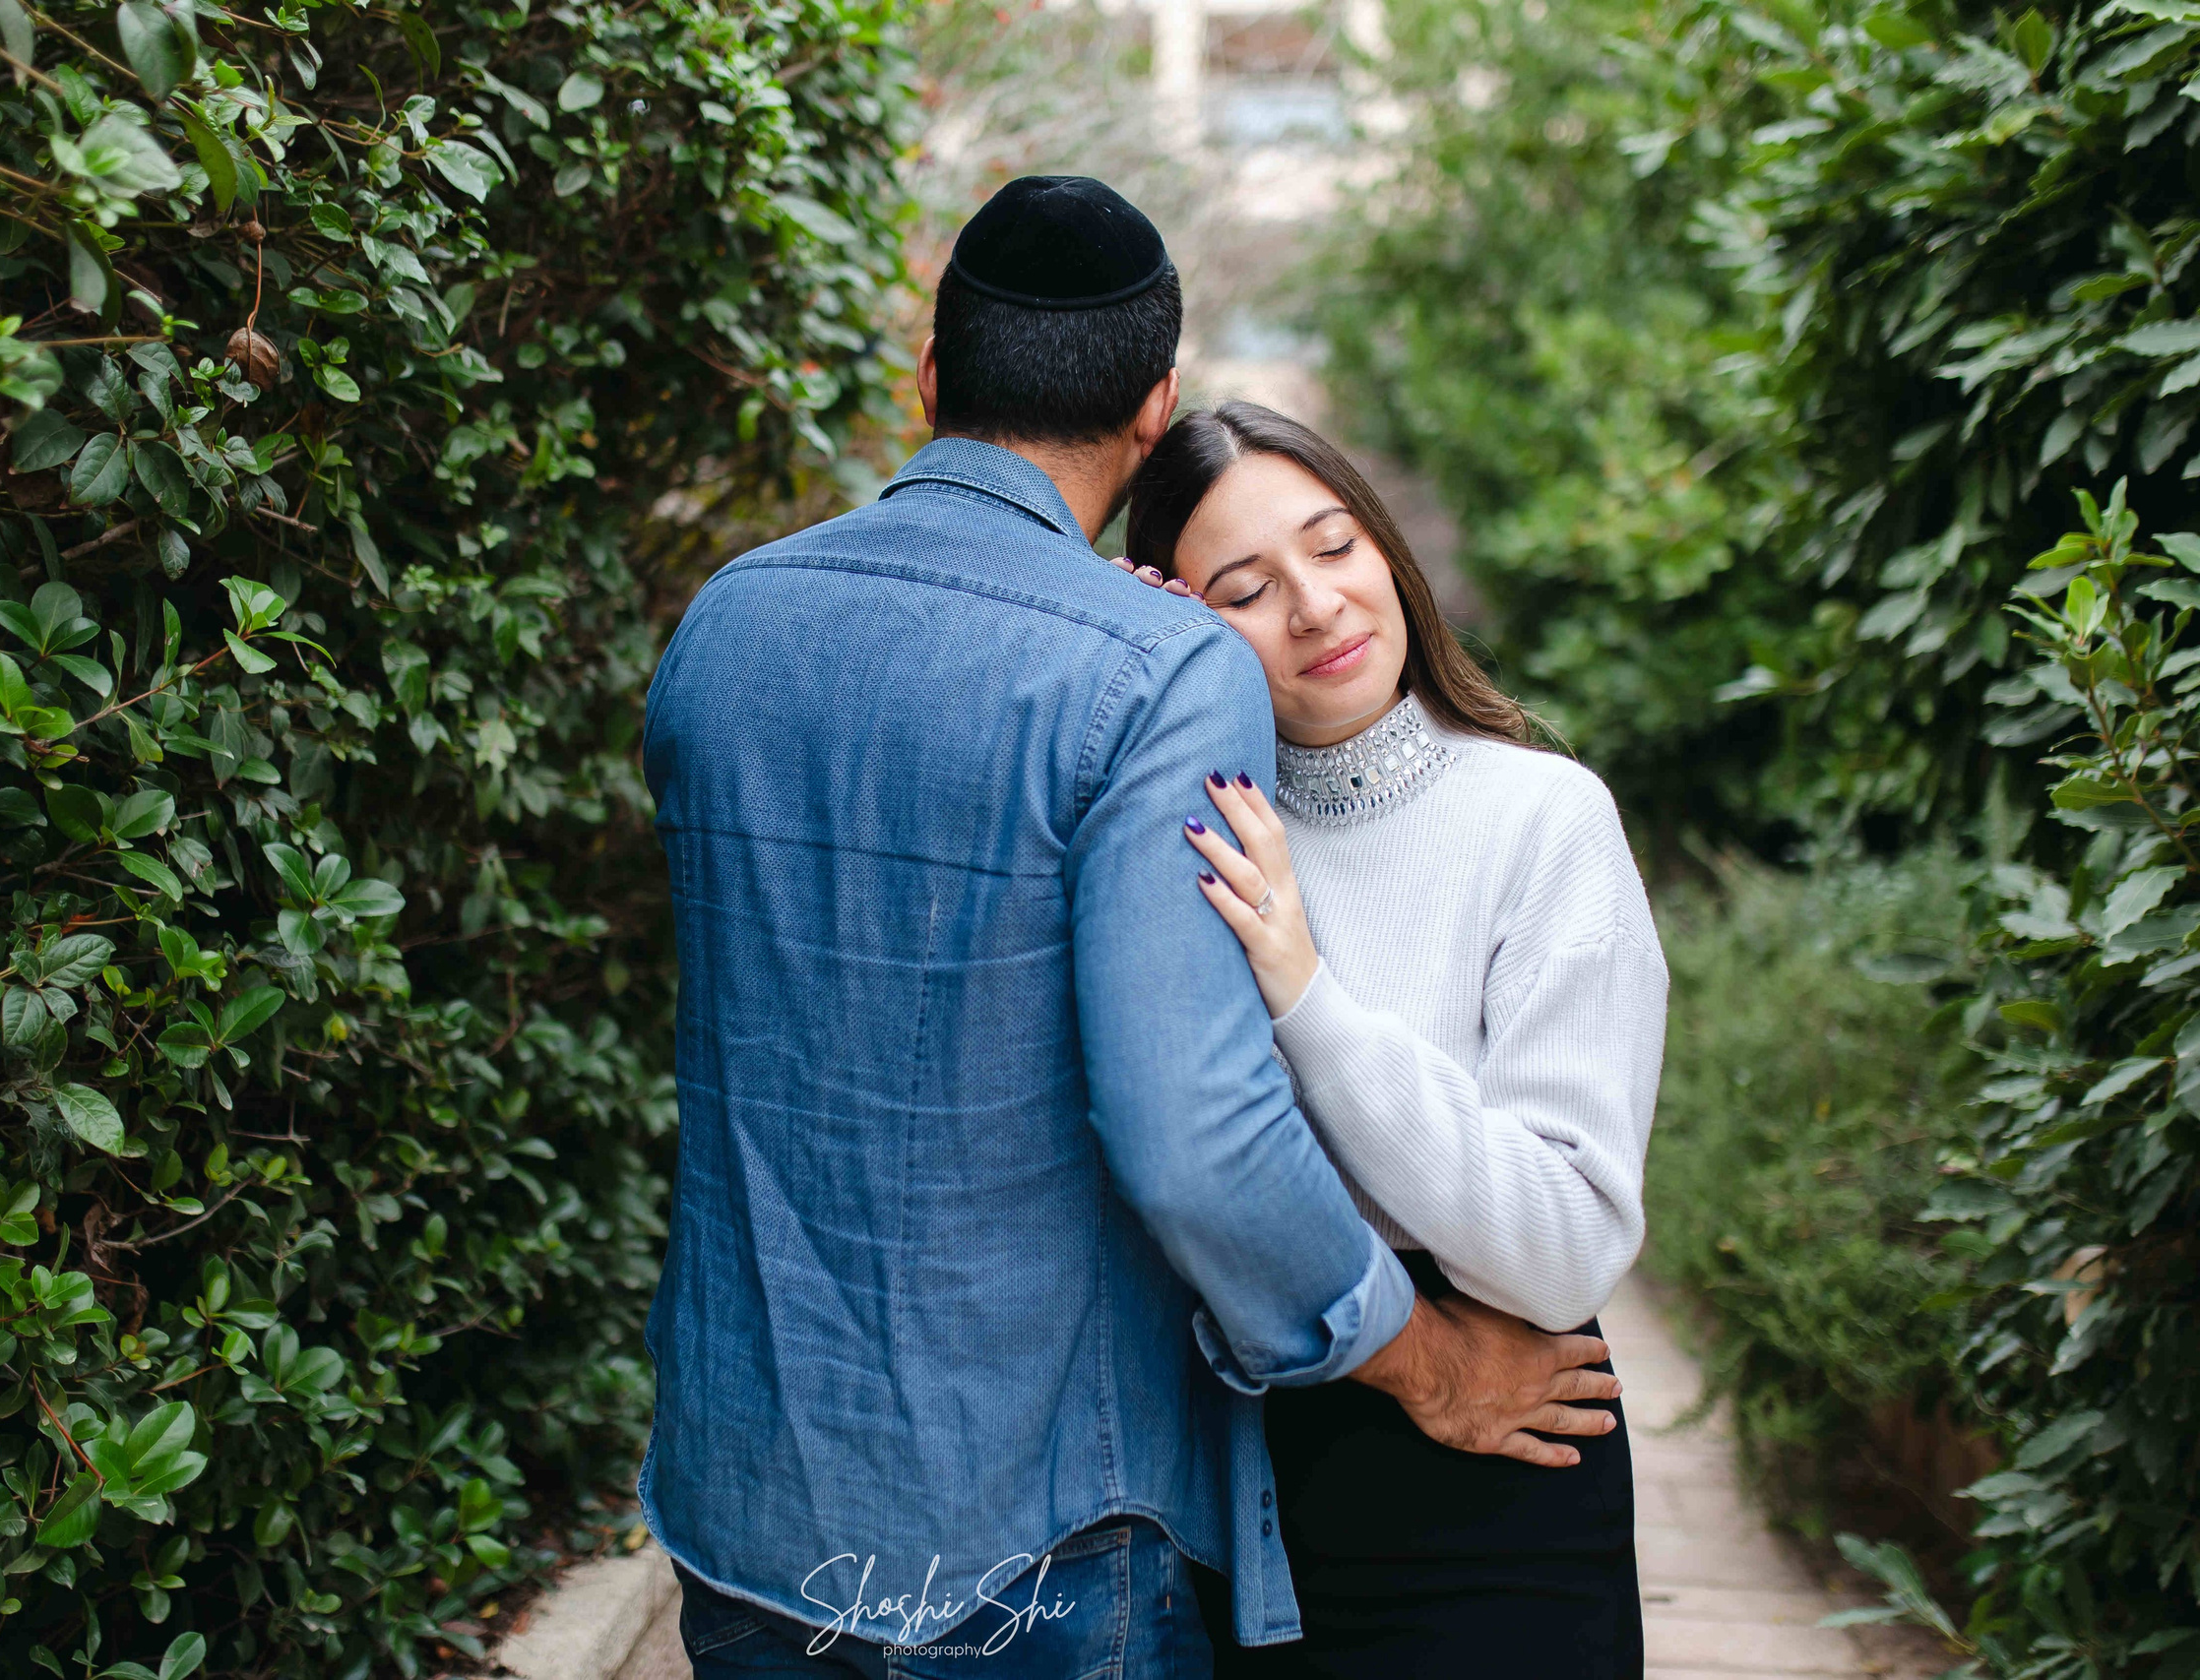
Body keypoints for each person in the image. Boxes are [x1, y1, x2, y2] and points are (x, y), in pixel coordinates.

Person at [637, 178, 1622, 1680]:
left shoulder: (724, 628)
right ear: (1158, 408)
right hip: (1044, 1535)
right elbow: (1192, 1134)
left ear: (928, 373)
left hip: (754, 1515)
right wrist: (1428, 1366)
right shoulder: (1155, 672)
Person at [1115, 401, 1666, 1679]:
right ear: (1187, 624)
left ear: (1388, 550)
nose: (1315, 606)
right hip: (1238, 1477)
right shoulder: (1190, 845)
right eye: (1244, 588)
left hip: (1501, 1474)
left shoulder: (1543, 820)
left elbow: (1565, 1249)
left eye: (1336, 544)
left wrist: (1308, 994)